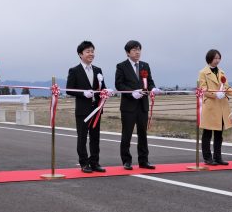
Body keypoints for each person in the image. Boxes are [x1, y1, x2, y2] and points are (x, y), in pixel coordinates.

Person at [115, 40, 161, 170]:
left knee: (143, 134)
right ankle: (126, 161)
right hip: (128, 106)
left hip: (142, 105)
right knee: (127, 134)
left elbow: (150, 82)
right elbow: (119, 84)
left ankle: (144, 160)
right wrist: (131, 92)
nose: (137, 52)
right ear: (127, 52)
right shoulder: (121, 66)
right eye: (134, 50)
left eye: (139, 49)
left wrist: (153, 89)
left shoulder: (145, 65)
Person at [66, 41, 110, 173]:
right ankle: (84, 163)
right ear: (80, 54)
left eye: (92, 51)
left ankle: (95, 162)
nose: (91, 54)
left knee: (95, 137)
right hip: (82, 110)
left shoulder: (98, 70)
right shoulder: (74, 70)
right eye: (88, 51)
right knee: (82, 137)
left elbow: (102, 87)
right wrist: (82, 93)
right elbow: (69, 89)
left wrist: (106, 91)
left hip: (96, 109)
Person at [198, 49, 232, 166]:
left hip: (222, 106)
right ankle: (207, 158)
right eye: (215, 58)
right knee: (207, 133)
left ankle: (218, 157)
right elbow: (203, 89)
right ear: (209, 58)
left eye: (219, 58)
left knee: (219, 134)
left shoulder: (222, 72)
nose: (217, 60)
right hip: (211, 106)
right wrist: (215, 94)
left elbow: (227, 87)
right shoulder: (203, 72)